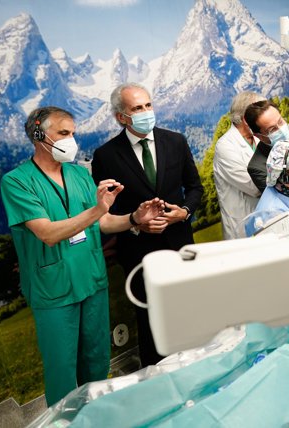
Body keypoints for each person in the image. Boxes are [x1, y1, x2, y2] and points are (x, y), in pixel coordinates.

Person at [0, 106, 165, 406]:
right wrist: (98, 209)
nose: (71, 141)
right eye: (63, 133)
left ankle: (98, 414)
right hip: (53, 289)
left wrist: (133, 218)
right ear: (38, 135)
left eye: (73, 134)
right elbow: (47, 233)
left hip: (91, 279)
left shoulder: (78, 174)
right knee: (62, 369)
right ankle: (66, 421)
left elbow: (102, 222)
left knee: (97, 360)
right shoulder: (17, 182)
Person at [91, 82, 204, 367]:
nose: (146, 112)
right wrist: (135, 225)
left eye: (148, 105)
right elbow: (106, 212)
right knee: (150, 319)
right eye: (137, 108)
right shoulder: (106, 156)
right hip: (138, 252)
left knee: (190, 311)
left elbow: (195, 188)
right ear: (121, 117)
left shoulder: (175, 141)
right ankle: (158, 375)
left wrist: (184, 212)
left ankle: (197, 367)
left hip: (179, 244)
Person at [213, 91, 265, 240]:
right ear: (246, 119)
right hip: (241, 227)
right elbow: (255, 187)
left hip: (265, 219)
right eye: (260, 113)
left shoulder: (259, 139)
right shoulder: (225, 146)